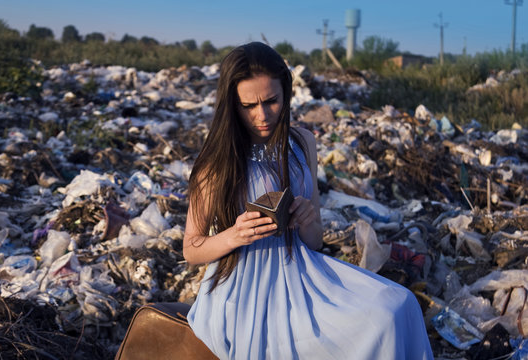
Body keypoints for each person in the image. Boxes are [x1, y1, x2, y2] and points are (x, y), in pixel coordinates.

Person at [183, 42, 433, 360]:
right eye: (249, 105)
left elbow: (314, 243)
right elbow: (191, 249)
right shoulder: (217, 162)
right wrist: (234, 235)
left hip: (304, 270)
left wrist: (307, 220)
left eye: (271, 101)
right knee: (378, 322)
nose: (262, 115)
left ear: (286, 93)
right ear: (232, 104)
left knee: (400, 304)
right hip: (244, 289)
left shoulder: (303, 143)